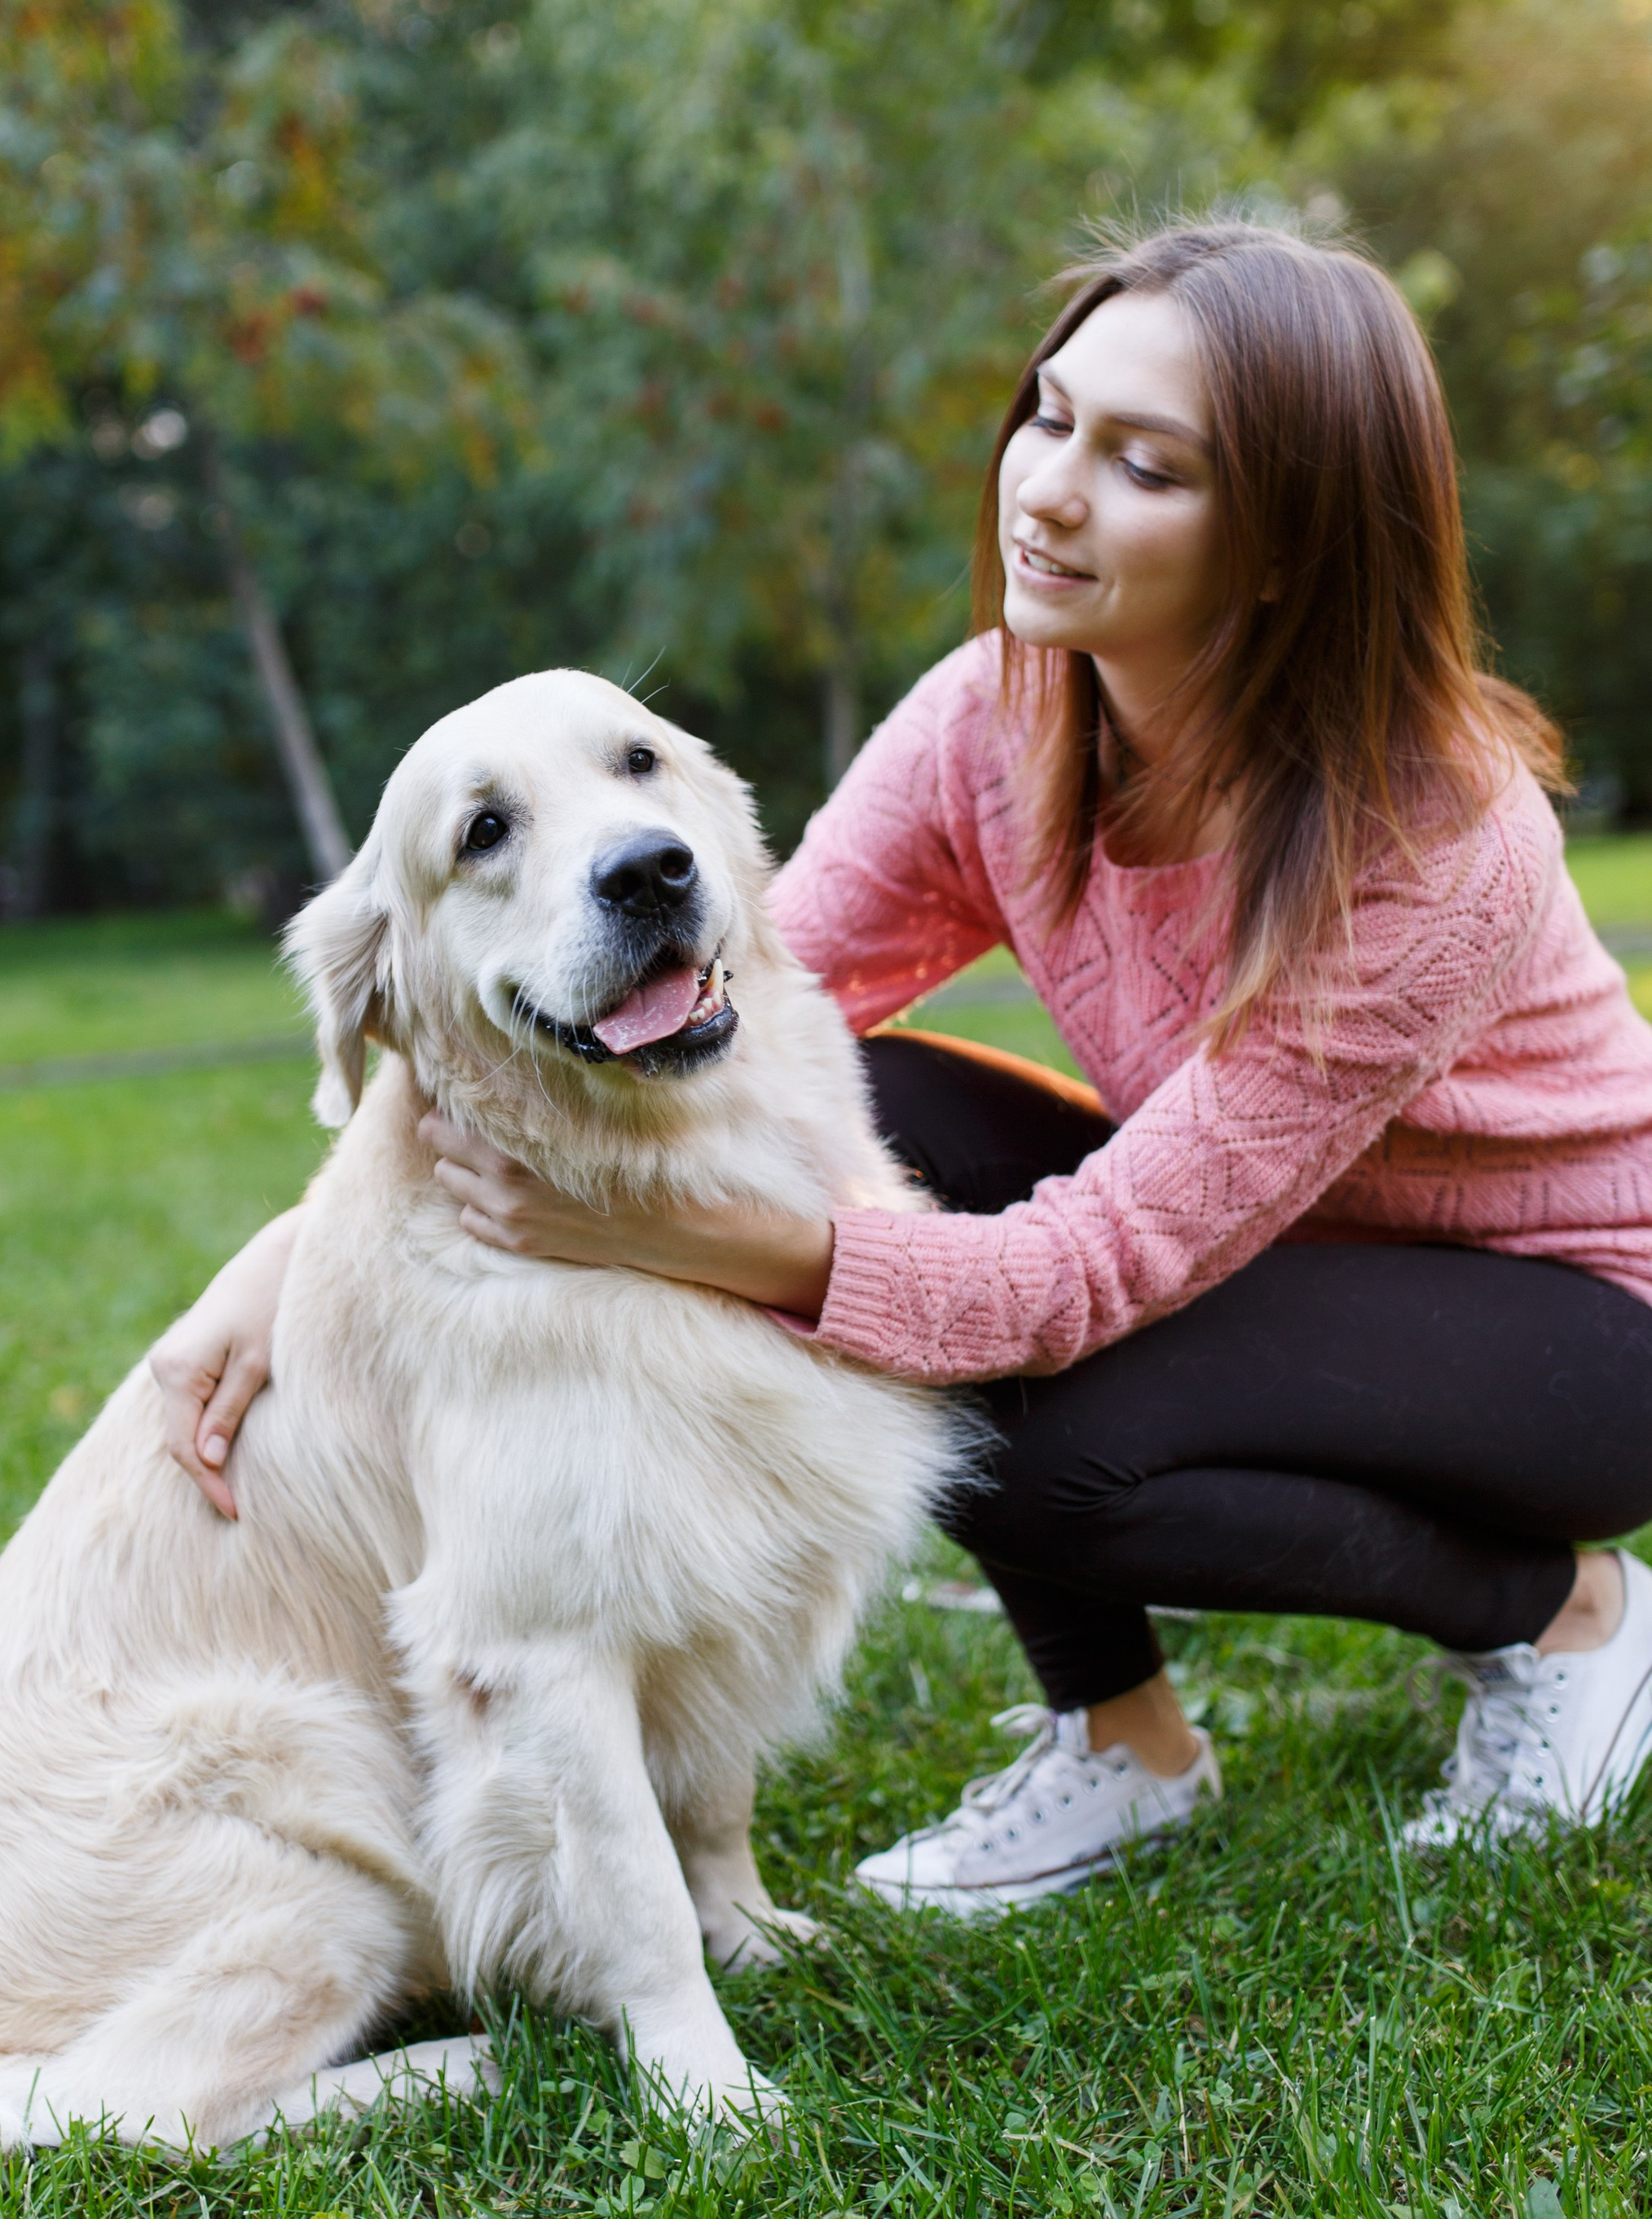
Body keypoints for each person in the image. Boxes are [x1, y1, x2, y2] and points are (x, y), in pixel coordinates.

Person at [154, 218, 1652, 1919]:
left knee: (1058, 1453)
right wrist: (292, 1261)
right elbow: (752, 989)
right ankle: (1126, 1744)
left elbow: (1075, 1276)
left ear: (1282, 551)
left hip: (1581, 1315)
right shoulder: (991, 720)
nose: (1048, 490)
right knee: (874, 1096)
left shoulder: (1432, 833)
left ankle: (1561, 1613)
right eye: (1051, 415)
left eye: (1143, 465)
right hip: (1289, 1253)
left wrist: (699, 1242)